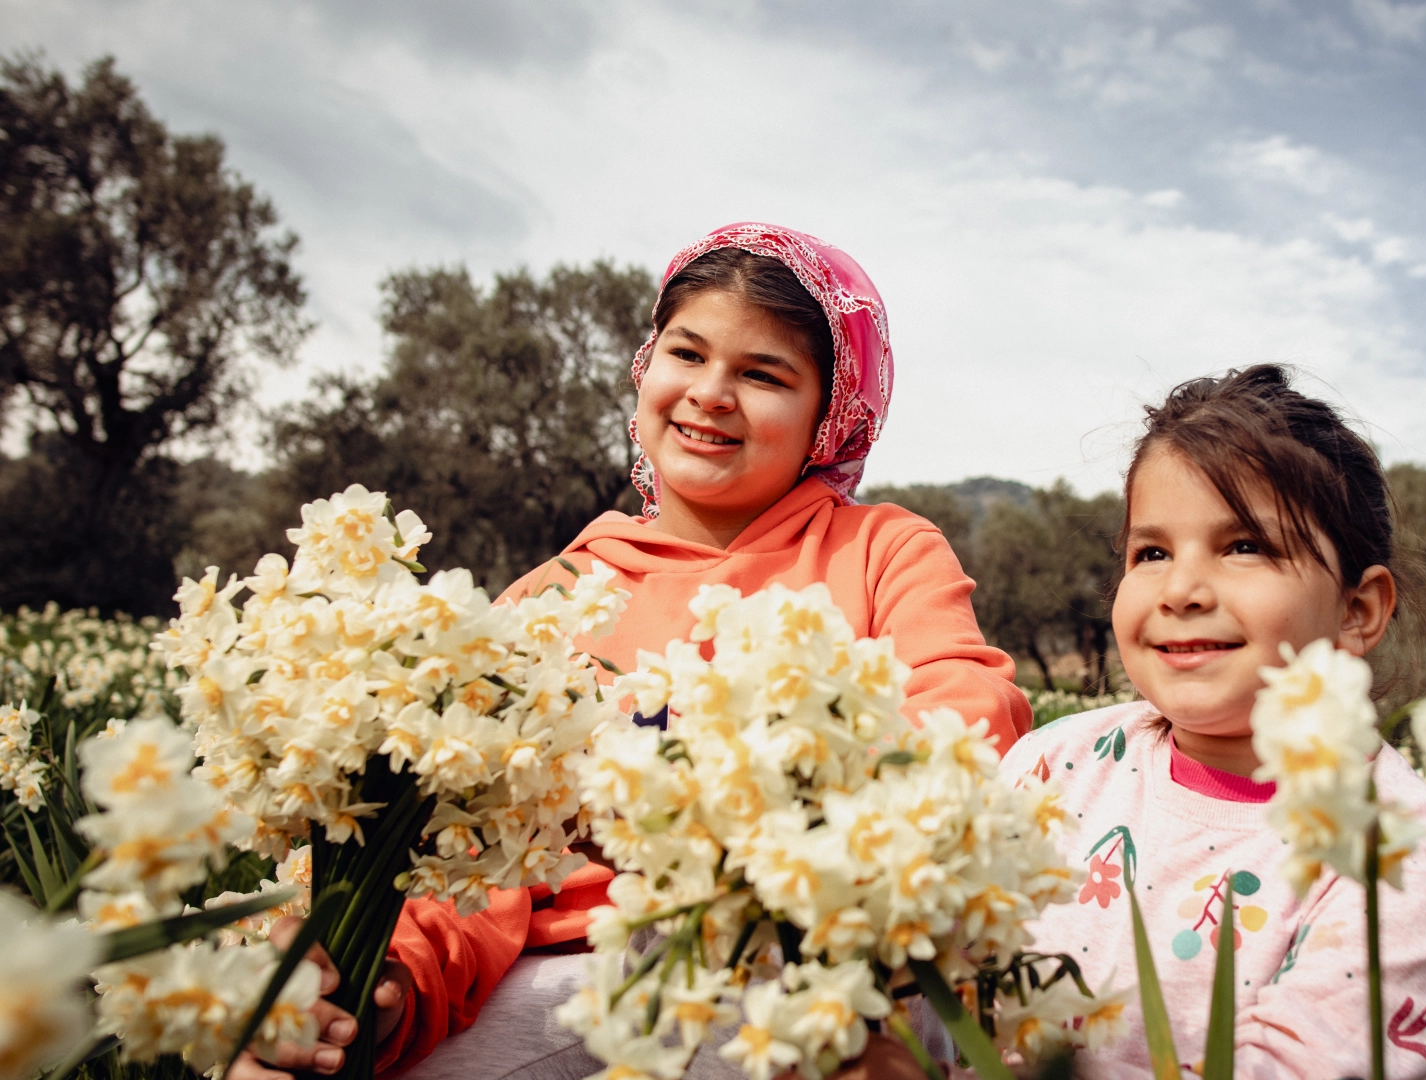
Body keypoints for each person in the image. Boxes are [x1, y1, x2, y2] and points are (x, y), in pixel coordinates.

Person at [229, 223, 1028, 1080]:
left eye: (763, 374)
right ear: (648, 368)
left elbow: (969, 721)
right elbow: (467, 860)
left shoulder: (882, 551)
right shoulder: (549, 600)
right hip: (562, 977)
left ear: (828, 418)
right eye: (688, 353)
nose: (712, 393)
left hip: (801, 959)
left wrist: (704, 816)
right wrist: (395, 978)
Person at [1000, 365, 1426, 1078]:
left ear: (1359, 611)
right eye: (1152, 553)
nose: (1183, 590)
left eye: (1245, 546)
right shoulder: (1054, 763)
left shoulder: (1399, 853)